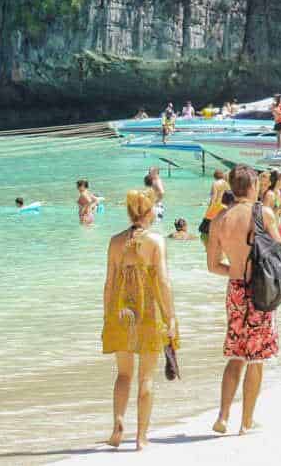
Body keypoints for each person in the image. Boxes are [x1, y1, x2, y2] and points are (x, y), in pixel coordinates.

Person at [206, 165, 281, 435]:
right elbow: (279, 253)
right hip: (260, 290)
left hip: (235, 289)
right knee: (257, 357)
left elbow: (213, 265)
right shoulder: (264, 213)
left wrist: (237, 271)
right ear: (252, 186)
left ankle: (223, 416)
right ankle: (246, 421)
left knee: (236, 354)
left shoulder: (219, 219)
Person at [102, 190, 178, 450]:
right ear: (148, 212)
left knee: (123, 374)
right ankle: (141, 437)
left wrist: (108, 316)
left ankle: (117, 424)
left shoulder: (115, 242)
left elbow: (109, 284)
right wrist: (171, 316)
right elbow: (164, 282)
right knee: (146, 377)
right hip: (149, 313)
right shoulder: (156, 241)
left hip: (121, 312)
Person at [200, 170, 229, 246]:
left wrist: (209, 210)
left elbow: (214, 198)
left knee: (206, 229)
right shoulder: (227, 184)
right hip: (225, 207)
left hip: (216, 206)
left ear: (214, 176)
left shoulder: (215, 184)